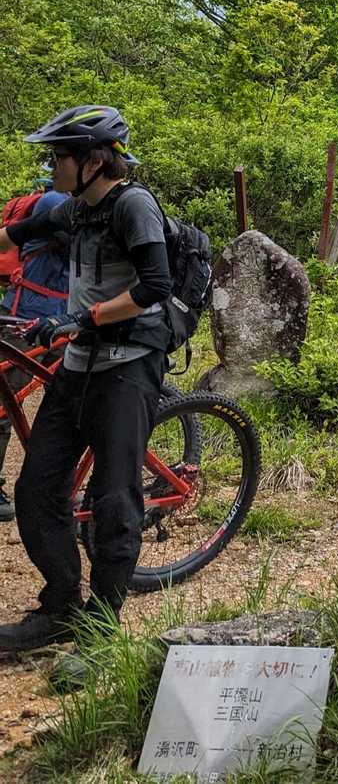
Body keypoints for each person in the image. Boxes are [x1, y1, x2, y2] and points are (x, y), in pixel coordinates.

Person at [0, 106, 172, 655]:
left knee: (115, 501)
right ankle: (61, 608)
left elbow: (155, 285)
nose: (52, 167)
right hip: (79, 365)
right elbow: (11, 236)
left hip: (128, 365)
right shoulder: (74, 209)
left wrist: (82, 318)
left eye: (59, 157)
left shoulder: (133, 206)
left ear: (93, 162)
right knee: (35, 491)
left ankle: (101, 630)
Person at [0, 177, 71, 523]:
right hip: (26, 319)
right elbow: (81, 243)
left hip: (61, 319)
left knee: (67, 401)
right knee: (5, 402)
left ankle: (57, 484)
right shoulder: (54, 203)